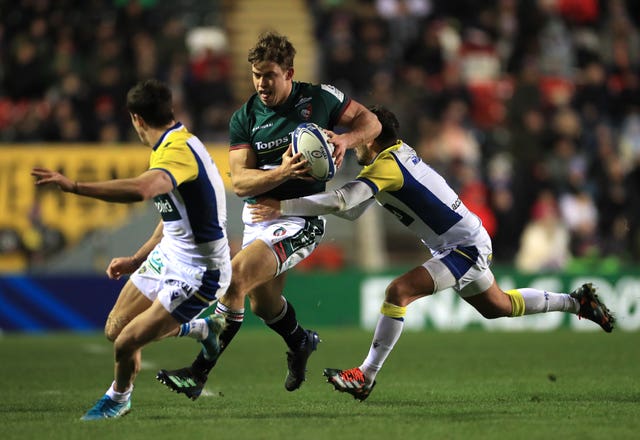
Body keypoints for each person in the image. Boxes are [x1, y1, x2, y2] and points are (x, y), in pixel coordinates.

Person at [249, 106, 615, 402]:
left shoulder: (387, 165)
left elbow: (346, 201)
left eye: (362, 141)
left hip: (464, 246)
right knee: (498, 306)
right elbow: (354, 209)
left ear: (373, 140)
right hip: (462, 240)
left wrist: (284, 207)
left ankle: (365, 375)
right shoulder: (397, 153)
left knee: (398, 292)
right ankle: (576, 302)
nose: (356, 148)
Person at [156, 31, 381, 399]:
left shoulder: (320, 98)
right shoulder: (244, 118)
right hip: (259, 216)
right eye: (256, 74)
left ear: (289, 73)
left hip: (300, 218)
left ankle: (198, 372)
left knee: (235, 279)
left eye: (270, 75)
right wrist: (283, 172)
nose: (262, 83)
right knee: (264, 305)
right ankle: (300, 341)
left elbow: (370, 123)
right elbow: (242, 183)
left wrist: (344, 141)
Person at [31, 79, 231, 420]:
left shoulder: (178, 151)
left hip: (201, 273)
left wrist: (75, 186)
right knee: (115, 328)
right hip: (169, 253)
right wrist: (136, 259)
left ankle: (118, 399)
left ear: (135, 118)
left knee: (126, 342)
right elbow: (173, 219)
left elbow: (141, 190)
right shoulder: (171, 144)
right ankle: (201, 328)